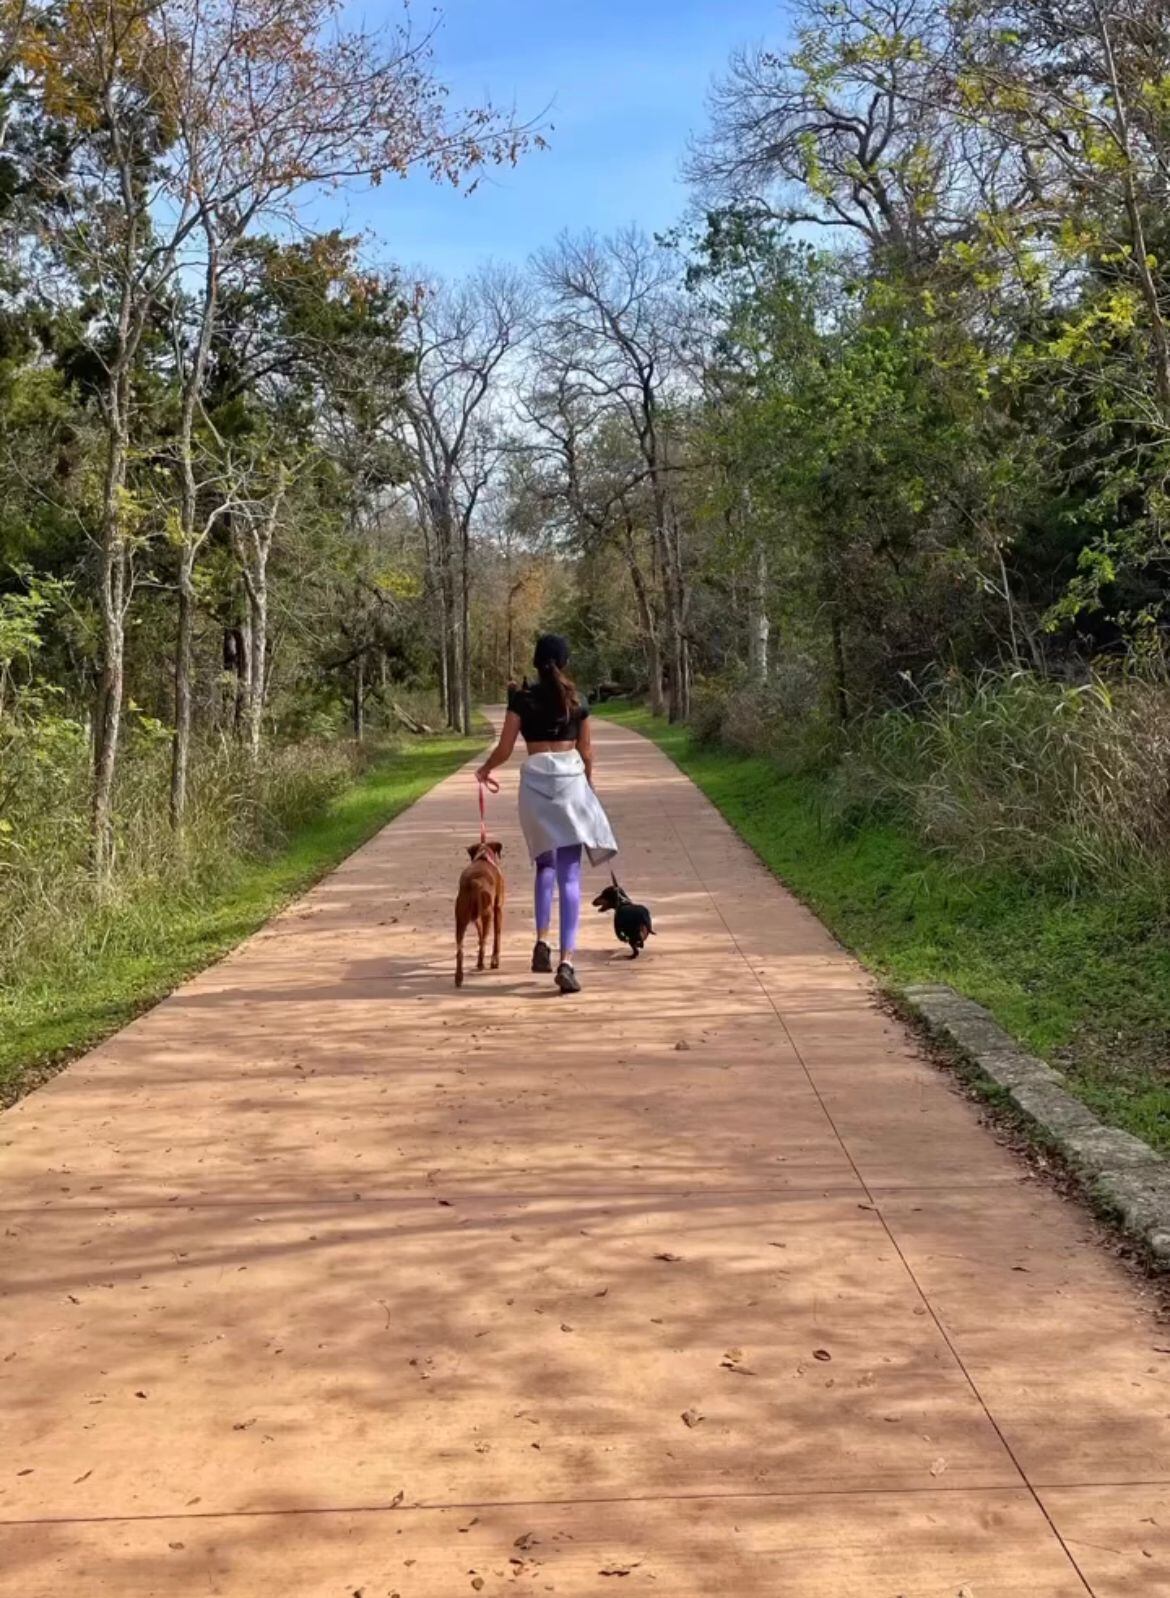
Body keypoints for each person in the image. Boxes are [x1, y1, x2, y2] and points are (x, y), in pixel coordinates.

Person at [476, 634, 617, 994]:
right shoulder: (577, 701)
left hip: (535, 790)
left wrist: (485, 769)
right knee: (570, 873)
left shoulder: (521, 700)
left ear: (536, 663)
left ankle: (541, 942)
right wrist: (588, 786)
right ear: (564, 662)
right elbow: (586, 752)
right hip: (570, 786)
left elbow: (506, 748)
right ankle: (567, 961)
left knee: (545, 866)